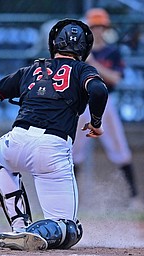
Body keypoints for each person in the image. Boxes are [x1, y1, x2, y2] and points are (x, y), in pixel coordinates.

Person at [0, 19, 109, 251]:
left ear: (53, 44)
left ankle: (19, 226)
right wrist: (96, 122)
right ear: (85, 48)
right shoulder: (82, 69)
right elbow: (98, 89)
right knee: (69, 229)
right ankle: (36, 232)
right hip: (51, 148)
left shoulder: (31, 70)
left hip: (14, 142)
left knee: (1, 161)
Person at [72, 8, 142, 210]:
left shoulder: (112, 52)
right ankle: (71, 200)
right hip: (81, 101)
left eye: (100, 26)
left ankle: (135, 198)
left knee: (119, 147)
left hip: (105, 100)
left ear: (106, 27)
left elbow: (115, 78)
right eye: (93, 26)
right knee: (73, 151)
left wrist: (92, 63)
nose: (97, 30)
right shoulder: (77, 52)